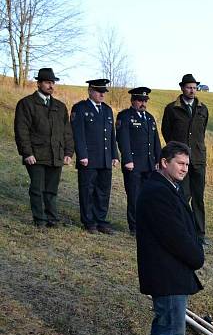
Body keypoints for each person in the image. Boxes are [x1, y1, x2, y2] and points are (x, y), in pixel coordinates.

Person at [137, 141, 207, 335]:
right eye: (180, 163)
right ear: (164, 162)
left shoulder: (168, 188)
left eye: (187, 164)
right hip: (166, 273)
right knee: (172, 330)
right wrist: (196, 257)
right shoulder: (157, 192)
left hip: (169, 271)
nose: (184, 168)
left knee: (163, 326)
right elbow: (175, 235)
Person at [13, 68, 74, 228]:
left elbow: (67, 131)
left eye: (53, 82)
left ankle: (52, 219)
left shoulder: (60, 106)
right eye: (47, 82)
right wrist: (27, 153)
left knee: (51, 190)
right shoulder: (26, 104)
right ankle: (39, 220)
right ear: (38, 83)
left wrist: (68, 152)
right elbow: (21, 130)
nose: (51, 85)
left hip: (56, 155)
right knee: (37, 189)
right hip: (36, 154)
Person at [161, 74, 210, 245]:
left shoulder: (203, 109)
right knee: (183, 195)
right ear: (182, 88)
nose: (192, 90)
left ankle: (200, 234)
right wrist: (178, 152)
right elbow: (166, 132)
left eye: (195, 87)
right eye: (189, 87)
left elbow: (201, 132)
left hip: (198, 159)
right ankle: (180, 229)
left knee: (198, 197)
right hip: (180, 160)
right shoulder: (172, 108)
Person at [71, 79, 119, 234]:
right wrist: (82, 155)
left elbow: (111, 135)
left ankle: (101, 220)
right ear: (90, 91)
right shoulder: (80, 108)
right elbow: (78, 134)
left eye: (104, 91)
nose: (102, 94)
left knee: (103, 191)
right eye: (99, 91)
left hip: (105, 158)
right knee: (87, 190)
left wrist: (114, 155)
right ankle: (89, 221)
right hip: (89, 159)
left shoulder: (107, 110)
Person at [116, 87, 161, 235]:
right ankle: (134, 226)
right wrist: (128, 159)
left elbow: (155, 142)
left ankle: (146, 224)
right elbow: (123, 140)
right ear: (133, 100)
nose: (143, 103)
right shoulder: (125, 116)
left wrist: (158, 160)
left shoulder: (149, 118)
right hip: (133, 165)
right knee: (134, 196)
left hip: (149, 165)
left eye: (145, 100)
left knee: (148, 196)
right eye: (140, 100)